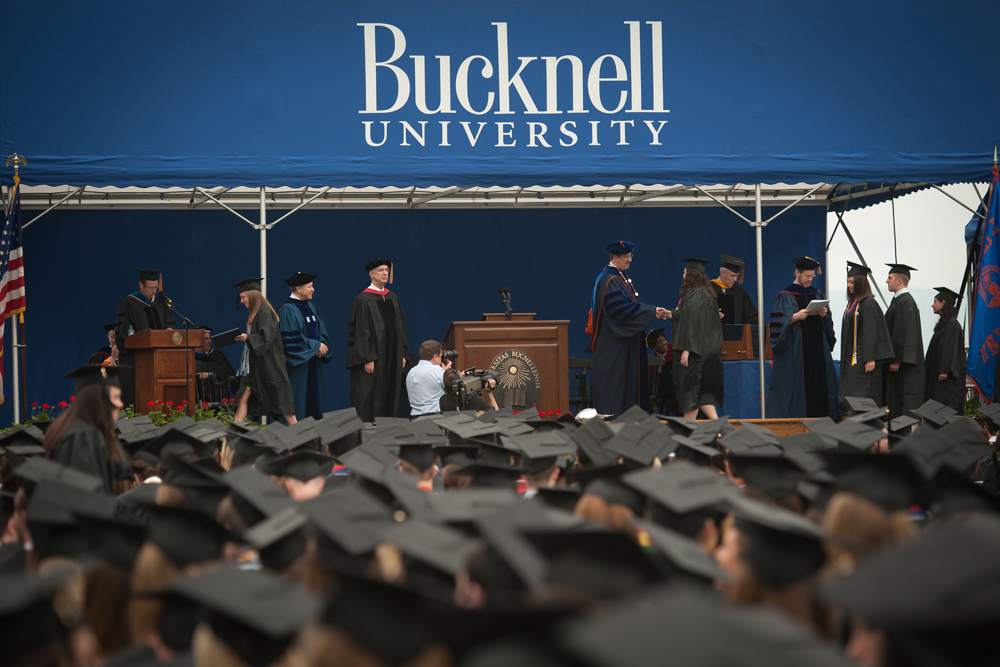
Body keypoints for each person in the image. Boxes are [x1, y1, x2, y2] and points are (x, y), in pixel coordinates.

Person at [588, 241, 669, 417]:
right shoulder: (610, 279)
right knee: (615, 387)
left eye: (631, 256)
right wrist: (651, 311)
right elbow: (621, 311)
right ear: (615, 257)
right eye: (626, 256)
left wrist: (650, 312)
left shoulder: (618, 276)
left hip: (620, 345)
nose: (630, 260)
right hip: (614, 345)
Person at [768, 257, 838, 418]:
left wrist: (824, 314)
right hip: (797, 353)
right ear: (797, 272)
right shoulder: (786, 295)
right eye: (807, 275)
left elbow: (828, 325)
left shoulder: (817, 294)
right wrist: (794, 317)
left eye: (812, 276)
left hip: (818, 352)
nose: (810, 279)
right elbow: (778, 325)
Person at [43, 365, 129, 495]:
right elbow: (88, 498)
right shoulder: (84, 437)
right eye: (116, 397)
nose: (121, 404)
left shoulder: (74, 429)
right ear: (99, 400)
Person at [346, 258, 411, 422]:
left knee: (390, 393)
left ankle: (388, 429)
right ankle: (370, 431)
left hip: (392, 358)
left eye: (386, 270)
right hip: (374, 359)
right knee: (372, 395)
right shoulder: (363, 300)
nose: (385, 273)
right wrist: (367, 357)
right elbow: (361, 331)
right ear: (371, 274)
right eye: (381, 270)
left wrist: (402, 353)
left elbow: (400, 328)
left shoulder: (392, 297)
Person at [231, 278, 297, 425]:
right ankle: (235, 430)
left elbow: (265, 337)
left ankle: (298, 431)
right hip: (254, 368)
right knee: (242, 397)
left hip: (269, 366)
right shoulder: (254, 313)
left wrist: (248, 337)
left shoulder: (265, 311)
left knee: (281, 402)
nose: (241, 301)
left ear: (252, 295)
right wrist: (246, 338)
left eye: (243, 297)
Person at [838, 262, 895, 416]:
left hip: (863, 361)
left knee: (863, 399)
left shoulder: (868, 303)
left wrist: (870, 359)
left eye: (852, 282)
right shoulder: (853, 304)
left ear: (861, 283)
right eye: (848, 282)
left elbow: (872, 332)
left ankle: (869, 434)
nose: (849, 285)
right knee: (853, 397)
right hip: (853, 361)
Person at [671, 257, 724, 420]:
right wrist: (668, 313)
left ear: (691, 275)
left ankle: (688, 435)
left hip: (695, 354)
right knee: (703, 394)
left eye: (685, 271)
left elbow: (691, 323)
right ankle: (720, 429)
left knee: (690, 392)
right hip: (709, 353)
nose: (683, 273)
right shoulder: (707, 294)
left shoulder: (694, 295)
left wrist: (686, 350)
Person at [115, 269, 175, 408]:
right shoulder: (129, 302)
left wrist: (169, 329)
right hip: (137, 360)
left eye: (156, 288)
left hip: (158, 358)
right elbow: (122, 332)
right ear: (141, 285)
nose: (155, 291)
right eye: (151, 288)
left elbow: (169, 321)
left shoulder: (160, 302)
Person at [278, 272, 334, 420]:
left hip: (313, 363)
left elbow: (320, 332)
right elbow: (290, 343)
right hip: (299, 368)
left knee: (315, 402)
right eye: (310, 286)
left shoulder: (310, 306)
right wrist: (315, 346)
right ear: (298, 289)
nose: (313, 289)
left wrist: (322, 345)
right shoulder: (287, 309)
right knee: (300, 402)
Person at [883, 263, 926, 420]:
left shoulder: (906, 302)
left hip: (902, 366)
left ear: (899, 281)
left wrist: (897, 359)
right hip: (897, 366)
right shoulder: (898, 300)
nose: (887, 281)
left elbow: (904, 333)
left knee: (902, 405)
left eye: (890, 278)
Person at [926, 287, 966, 414]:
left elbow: (950, 348)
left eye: (935, 301)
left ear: (943, 302)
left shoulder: (952, 324)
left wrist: (944, 370)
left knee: (945, 409)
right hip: (938, 377)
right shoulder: (945, 324)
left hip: (945, 380)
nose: (932, 305)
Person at [405, 340, 453, 418]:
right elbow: (451, 386)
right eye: (440, 357)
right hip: (437, 419)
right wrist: (448, 373)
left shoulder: (411, 372)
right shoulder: (438, 371)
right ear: (435, 357)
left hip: (416, 419)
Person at [194, 325, 239, 403]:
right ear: (197, 340)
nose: (210, 341)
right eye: (206, 339)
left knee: (210, 381)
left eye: (209, 338)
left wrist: (210, 373)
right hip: (194, 395)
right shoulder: (188, 356)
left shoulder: (215, 354)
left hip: (214, 392)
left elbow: (226, 372)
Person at [712, 254, 758, 325]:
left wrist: (766, 326)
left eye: (737, 276)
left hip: (735, 334)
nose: (735, 279)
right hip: (713, 334)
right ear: (723, 273)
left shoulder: (739, 292)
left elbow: (751, 317)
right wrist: (711, 315)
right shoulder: (708, 289)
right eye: (732, 276)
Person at [647, 328, 679, 416]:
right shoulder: (653, 363)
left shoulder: (674, 349)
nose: (664, 343)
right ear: (653, 347)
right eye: (659, 342)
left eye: (664, 340)